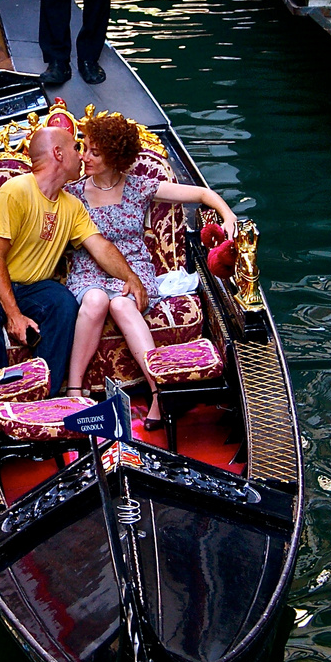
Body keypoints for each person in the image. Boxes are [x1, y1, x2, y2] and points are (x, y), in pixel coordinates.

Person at [63, 115, 237, 429]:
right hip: (88, 273)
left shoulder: (139, 187)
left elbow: (200, 195)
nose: (84, 156)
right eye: (83, 148)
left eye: (94, 152)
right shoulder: (73, 193)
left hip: (134, 272)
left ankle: (159, 391)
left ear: (115, 157)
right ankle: (76, 390)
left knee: (120, 303)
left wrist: (227, 215)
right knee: (96, 301)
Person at [0, 126, 147, 399]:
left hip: (35, 287)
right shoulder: (16, 191)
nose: (81, 156)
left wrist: (131, 278)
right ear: (58, 153)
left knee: (63, 303)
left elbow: (101, 247)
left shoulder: (71, 205)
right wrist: (13, 314)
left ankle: (44, 395)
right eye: (76, 148)